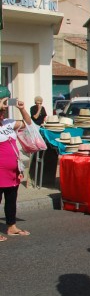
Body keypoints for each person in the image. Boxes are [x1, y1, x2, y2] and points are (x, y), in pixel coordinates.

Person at [0, 90, 33, 240]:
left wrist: (21, 109)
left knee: (11, 200)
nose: (5, 108)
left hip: (13, 171)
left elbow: (28, 123)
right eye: (3, 104)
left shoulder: (8, 123)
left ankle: (11, 226)